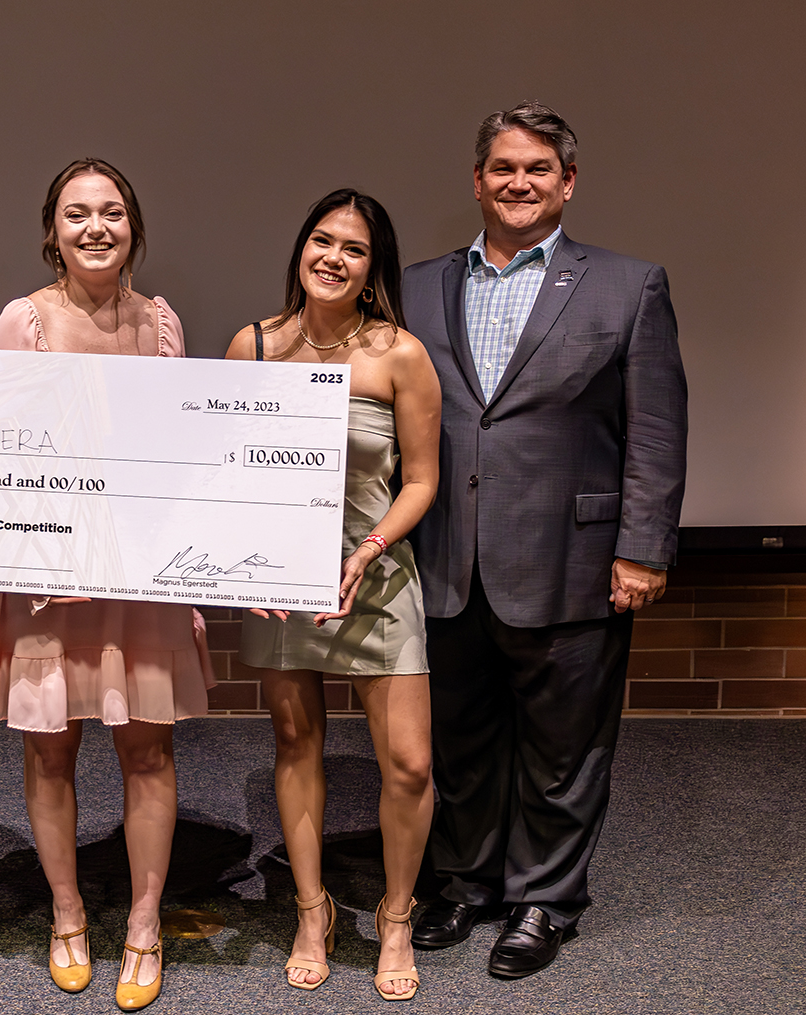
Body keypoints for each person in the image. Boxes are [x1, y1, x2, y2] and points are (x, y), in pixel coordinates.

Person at [401, 101, 688, 978]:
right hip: (444, 558)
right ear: (476, 181)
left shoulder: (627, 284)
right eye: (500, 168)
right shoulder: (413, 287)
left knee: (565, 749)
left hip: (574, 561)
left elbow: (656, 429)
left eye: (536, 169)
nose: (517, 183)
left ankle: (545, 900)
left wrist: (642, 548)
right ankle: (463, 882)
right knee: (461, 738)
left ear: (567, 182)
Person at [0, 158, 213, 1011]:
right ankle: (68, 915)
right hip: (48, 582)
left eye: (111, 212)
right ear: (54, 229)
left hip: (137, 579)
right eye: (77, 214)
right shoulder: (23, 320)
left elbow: (183, 458)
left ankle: (144, 922)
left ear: (133, 225)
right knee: (51, 747)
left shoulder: (161, 322)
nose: (95, 228)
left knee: (148, 747)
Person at [226, 189, 441, 1001]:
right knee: (295, 745)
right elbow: (224, 472)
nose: (332, 258)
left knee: (411, 765)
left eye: (352, 248)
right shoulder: (249, 347)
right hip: (281, 586)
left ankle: (393, 915)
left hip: (376, 579)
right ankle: (311, 910)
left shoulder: (400, 354)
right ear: (300, 248)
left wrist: (371, 547)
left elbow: (418, 480)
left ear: (371, 266)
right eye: (321, 240)